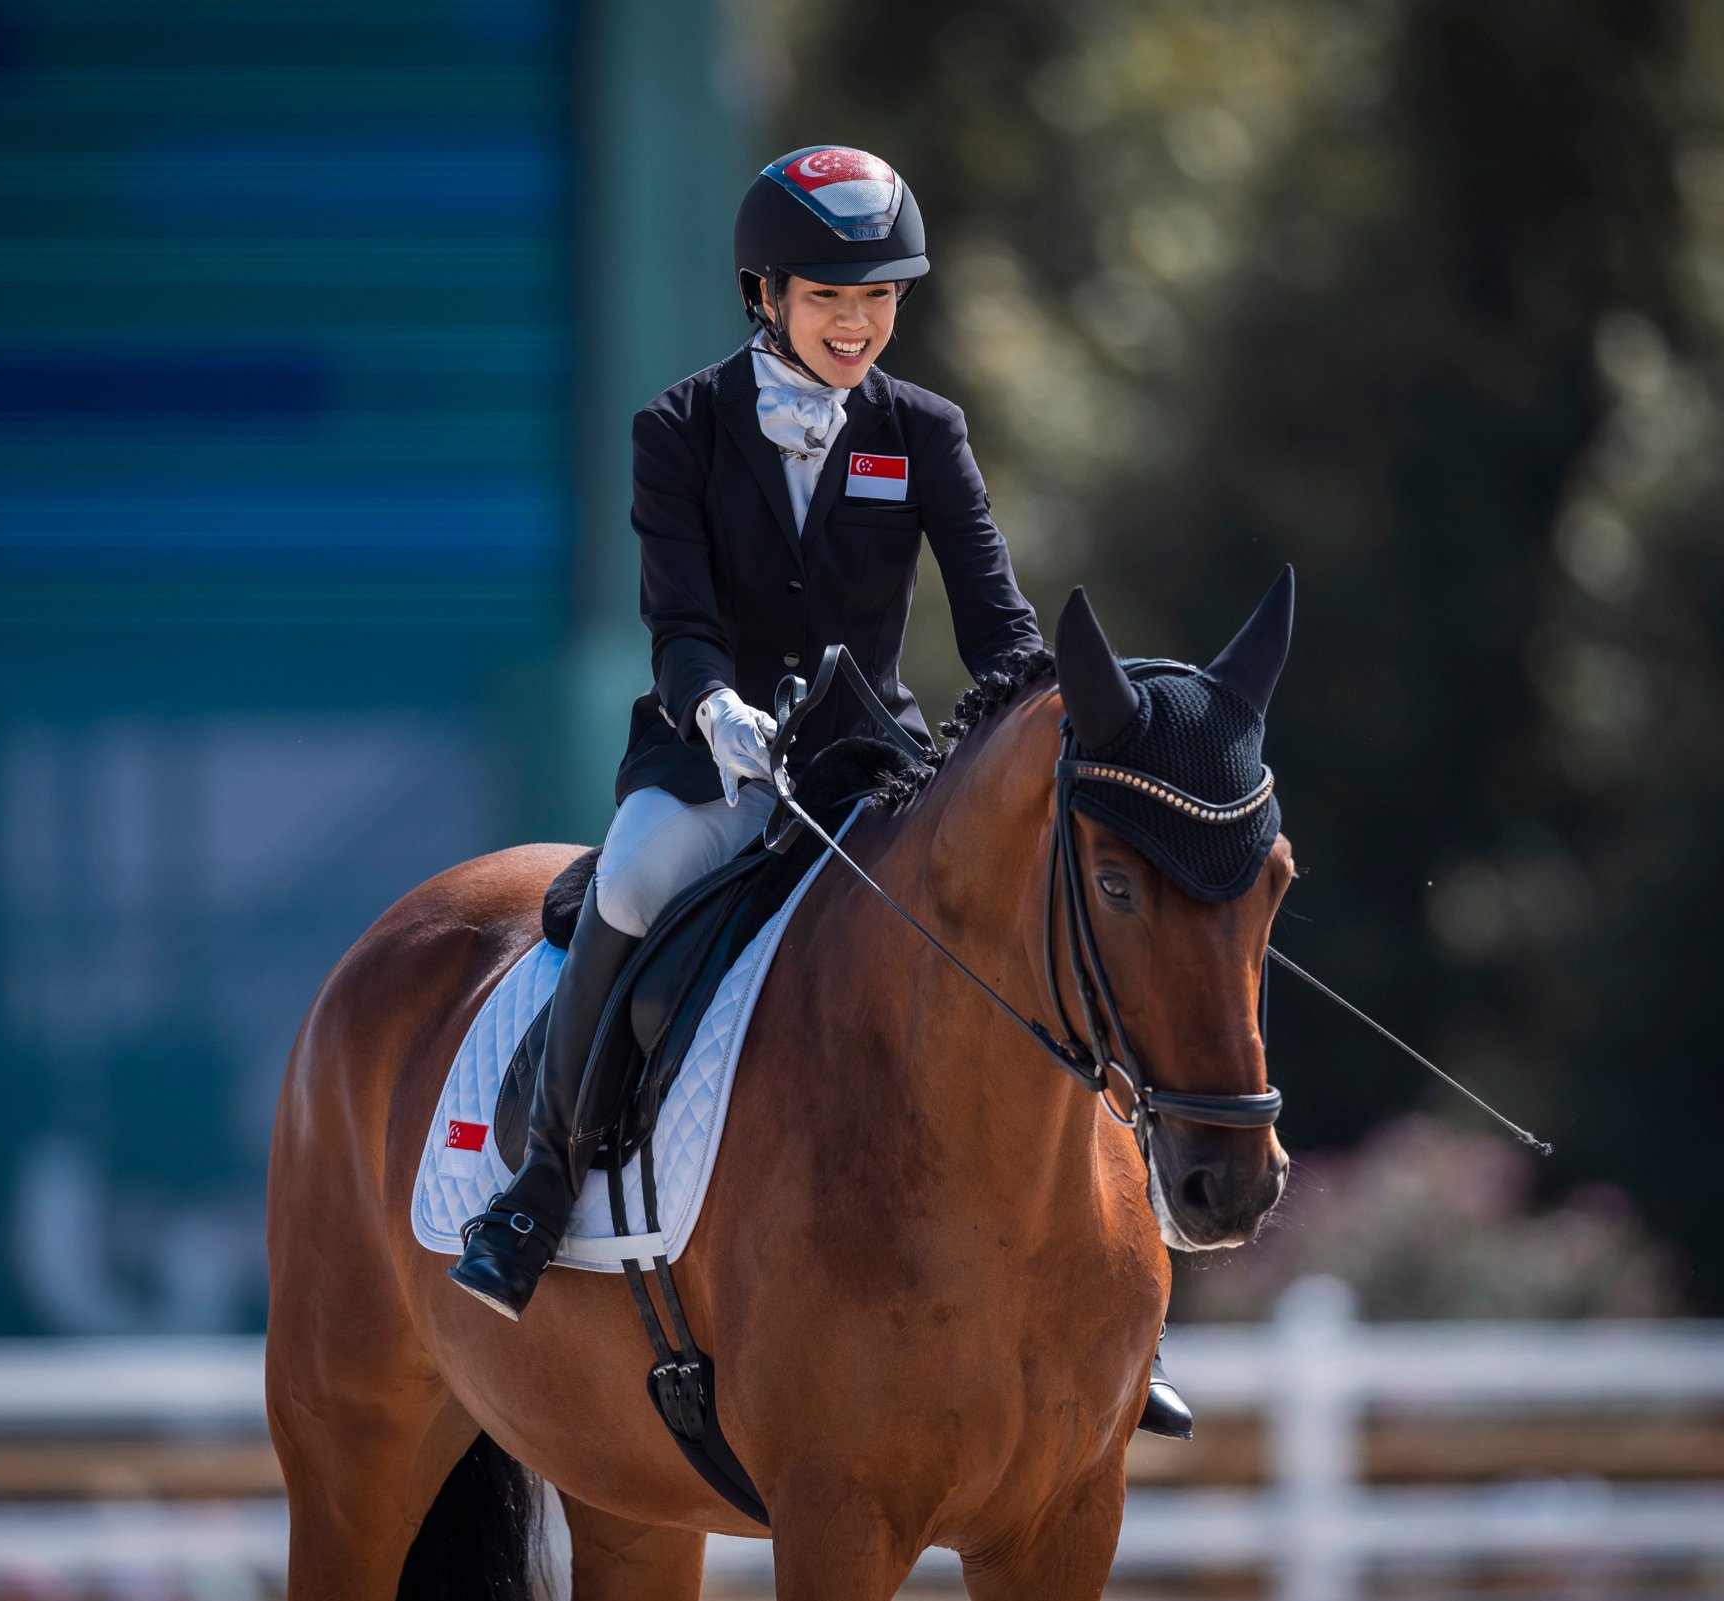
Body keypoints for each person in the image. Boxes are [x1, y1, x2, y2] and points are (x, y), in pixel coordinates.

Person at [448, 145, 1193, 1439]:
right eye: (829, 300)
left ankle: (1091, 1284)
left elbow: (1000, 625)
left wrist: (1070, 705)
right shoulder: (678, 430)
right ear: (766, 293)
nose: (858, 326)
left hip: (874, 766)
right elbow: (678, 621)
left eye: (880, 300)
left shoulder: (923, 432)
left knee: (1042, 928)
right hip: (716, 757)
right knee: (627, 880)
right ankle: (541, 1180)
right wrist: (713, 704)